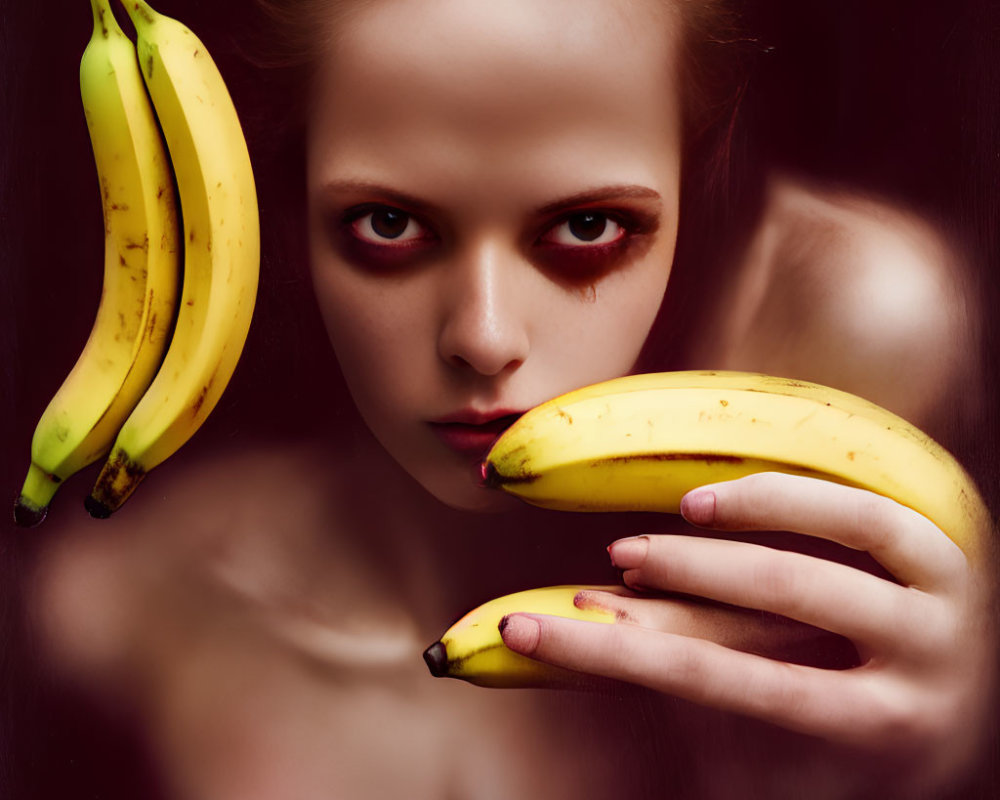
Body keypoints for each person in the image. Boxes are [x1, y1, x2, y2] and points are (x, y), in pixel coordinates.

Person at [8, 0, 998, 798]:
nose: (482, 336)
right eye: (387, 223)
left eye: (586, 229)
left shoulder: (849, 547)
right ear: (271, 199)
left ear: (695, 180)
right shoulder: (108, 615)